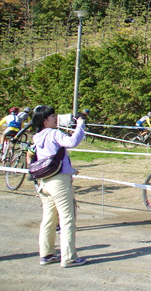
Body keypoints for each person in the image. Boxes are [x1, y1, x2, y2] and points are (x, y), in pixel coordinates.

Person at [31, 105, 88, 267]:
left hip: (45, 182)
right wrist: (80, 125)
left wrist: (70, 169)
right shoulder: (54, 133)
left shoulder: (38, 137)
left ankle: (47, 254)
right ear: (44, 121)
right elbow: (72, 142)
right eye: (52, 116)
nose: (55, 118)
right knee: (67, 219)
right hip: (59, 182)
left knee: (49, 220)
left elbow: (50, 158)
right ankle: (69, 257)